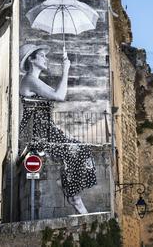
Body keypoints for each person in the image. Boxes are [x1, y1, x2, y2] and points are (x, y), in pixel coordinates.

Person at [19, 43, 96, 214]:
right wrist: (66, 69)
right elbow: (60, 96)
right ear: (31, 59)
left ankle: (73, 193)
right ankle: (74, 196)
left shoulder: (36, 81)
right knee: (77, 150)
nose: (46, 59)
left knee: (79, 149)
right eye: (42, 56)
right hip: (38, 132)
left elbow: (56, 95)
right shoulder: (29, 80)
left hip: (47, 129)